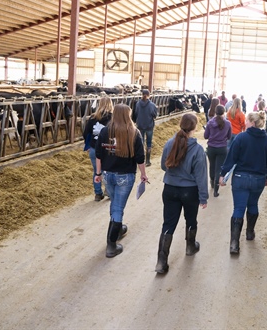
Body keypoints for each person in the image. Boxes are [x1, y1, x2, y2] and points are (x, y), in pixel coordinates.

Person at [156, 113, 208, 274]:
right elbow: (201, 176)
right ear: (195, 128)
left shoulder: (169, 143)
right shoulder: (198, 149)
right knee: (191, 219)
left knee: (168, 223)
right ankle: (190, 247)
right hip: (189, 191)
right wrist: (203, 196)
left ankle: (161, 262)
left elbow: (164, 166)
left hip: (170, 189)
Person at [95, 104, 148, 258]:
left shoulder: (106, 131)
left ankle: (117, 230)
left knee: (114, 204)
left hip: (107, 174)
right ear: (128, 115)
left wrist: (98, 173)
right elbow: (140, 158)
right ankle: (111, 245)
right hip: (125, 176)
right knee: (118, 208)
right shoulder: (134, 132)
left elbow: (98, 154)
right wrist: (143, 174)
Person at [219, 111, 267, 254]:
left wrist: (223, 174)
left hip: (240, 177)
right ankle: (250, 233)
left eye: (247, 121)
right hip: (258, 179)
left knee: (238, 208)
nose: (245, 123)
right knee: (253, 204)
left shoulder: (241, 138)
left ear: (253, 123)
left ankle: (234, 244)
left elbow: (231, 157)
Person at [83, 96, 113, 201]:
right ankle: (108, 191)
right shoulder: (113, 118)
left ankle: (98, 193)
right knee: (108, 170)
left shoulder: (92, 118)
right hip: (108, 149)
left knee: (97, 171)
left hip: (94, 149)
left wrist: (87, 145)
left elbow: (86, 133)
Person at [204, 105, 231, 197]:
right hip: (222, 148)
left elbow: (205, 136)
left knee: (212, 165)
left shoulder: (210, 123)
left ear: (215, 112)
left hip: (211, 147)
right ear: (224, 112)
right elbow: (229, 137)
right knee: (219, 168)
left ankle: (212, 181)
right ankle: (216, 190)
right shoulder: (227, 123)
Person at [134, 89, 158, 166]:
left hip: (140, 126)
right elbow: (155, 116)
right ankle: (147, 161)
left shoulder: (137, 104)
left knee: (141, 143)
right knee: (149, 143)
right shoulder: (152, 105)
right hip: (149, 126)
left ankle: (141, 160)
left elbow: (136, 113)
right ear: (149, 95)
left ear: (142, 94)